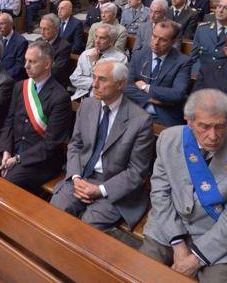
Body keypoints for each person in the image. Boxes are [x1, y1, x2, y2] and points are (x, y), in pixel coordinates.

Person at [140, 89, 227, 283]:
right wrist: (178, 245)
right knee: (139, 274)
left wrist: (196, 259)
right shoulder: (168, 139)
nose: (213, 136)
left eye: (220, 127)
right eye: (204, 127)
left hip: (216, 236)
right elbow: (160, 194)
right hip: (169, 227)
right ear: (188, 121)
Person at [50, 59, 154, 230]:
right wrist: (75, 177)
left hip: (114, 187)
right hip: (81, 176)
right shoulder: (88, 105)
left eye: (102, 79)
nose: (94, 84)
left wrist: (101, 190)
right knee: (56, 212)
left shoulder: (140, 121)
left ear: (120, 84)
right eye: (94, 77)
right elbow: (75, 145)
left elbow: (137, 171)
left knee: (87, 228)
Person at [0, 41, 72, 192]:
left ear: (47, 64)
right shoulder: (20, 86)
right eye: (26, 60)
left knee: (5, 186)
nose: (25, 66)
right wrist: (6, 151)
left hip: (39, 159)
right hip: (12, 150)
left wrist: (17, 159)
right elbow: (9, 121)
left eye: (32, 62)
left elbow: (51, 143)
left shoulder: (60, 97)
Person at [124, 20, 191, 126]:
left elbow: (177, 94)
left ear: (173, 42)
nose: (156, 42)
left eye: (162, 40)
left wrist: (146, 87)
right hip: (136, 110)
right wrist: (151, 99)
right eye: (154, 36)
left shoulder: (182, 62)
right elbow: (126, 86)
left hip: (164, 116)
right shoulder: (139, 55)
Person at [71, 24, 127, 100]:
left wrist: (94, 63)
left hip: (103, 99)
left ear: (111, 41)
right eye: (96, 36)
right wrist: (93, 83)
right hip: (80, 96)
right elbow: (74, 78)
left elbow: (112, 86)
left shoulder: (120, 59)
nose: (97, 41)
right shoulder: (86, 54)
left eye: (102, 38)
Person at [37, 13, 72, 88]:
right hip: (37, 79)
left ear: (56, 29)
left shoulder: (64, 47)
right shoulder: (38, 42)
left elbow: (55, 71)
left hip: (54, 85)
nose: (42, 32)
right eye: (40, 28)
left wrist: (36, 68)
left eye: (46, 29)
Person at [0, 13, 28, 81]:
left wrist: (3, 78)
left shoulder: (21, 42)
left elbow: (19, 66)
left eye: (2, 23)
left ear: (11, 24)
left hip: (13, 78)